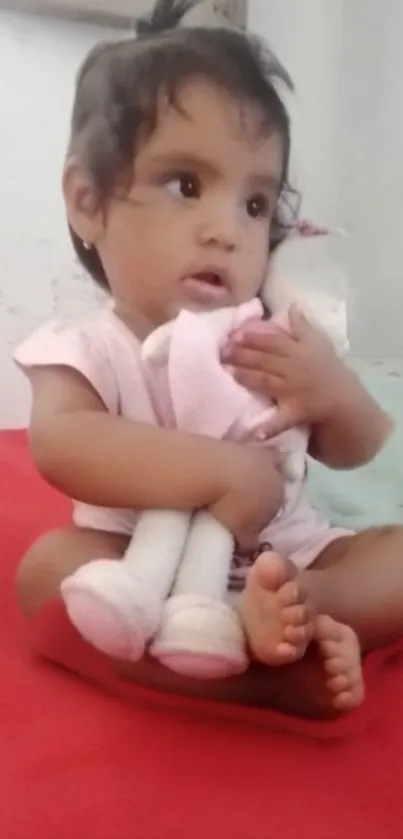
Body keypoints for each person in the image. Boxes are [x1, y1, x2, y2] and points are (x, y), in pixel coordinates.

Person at [14, 0, 399, 720]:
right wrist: (219, 472)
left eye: (255, 204)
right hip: (138, 567)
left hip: (285, 555)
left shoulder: (267, 336)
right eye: (186, 185)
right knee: (46, 576)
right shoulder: (88, 344)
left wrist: (332, 391)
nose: (226, 229)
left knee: (397, 556)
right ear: (88, 203)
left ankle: (299, 613)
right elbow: (62, 443)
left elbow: (359, 447)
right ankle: (266, 678)